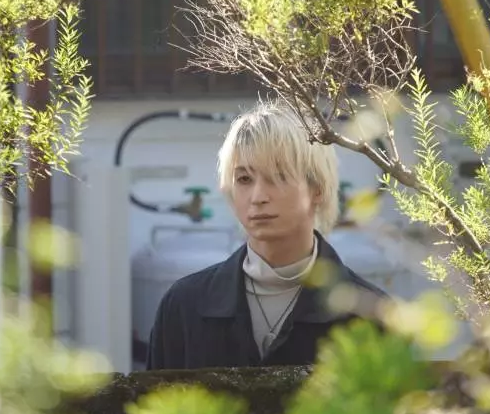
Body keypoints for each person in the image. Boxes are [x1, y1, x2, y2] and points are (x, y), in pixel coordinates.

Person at [146, 100, 387, 370]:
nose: (258, 197)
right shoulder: (183, 306)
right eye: (244, 179)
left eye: (277, 176)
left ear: (317, 188)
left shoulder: (369, 315)